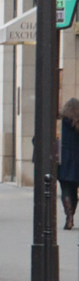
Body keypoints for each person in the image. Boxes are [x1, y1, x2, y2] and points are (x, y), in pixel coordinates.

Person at [59, 98, 79, 230]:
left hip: (65, 160)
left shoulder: (62, 122)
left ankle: (69, 217)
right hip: (77, 160)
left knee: (65, 189)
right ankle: (72, 215)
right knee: (74, 191)